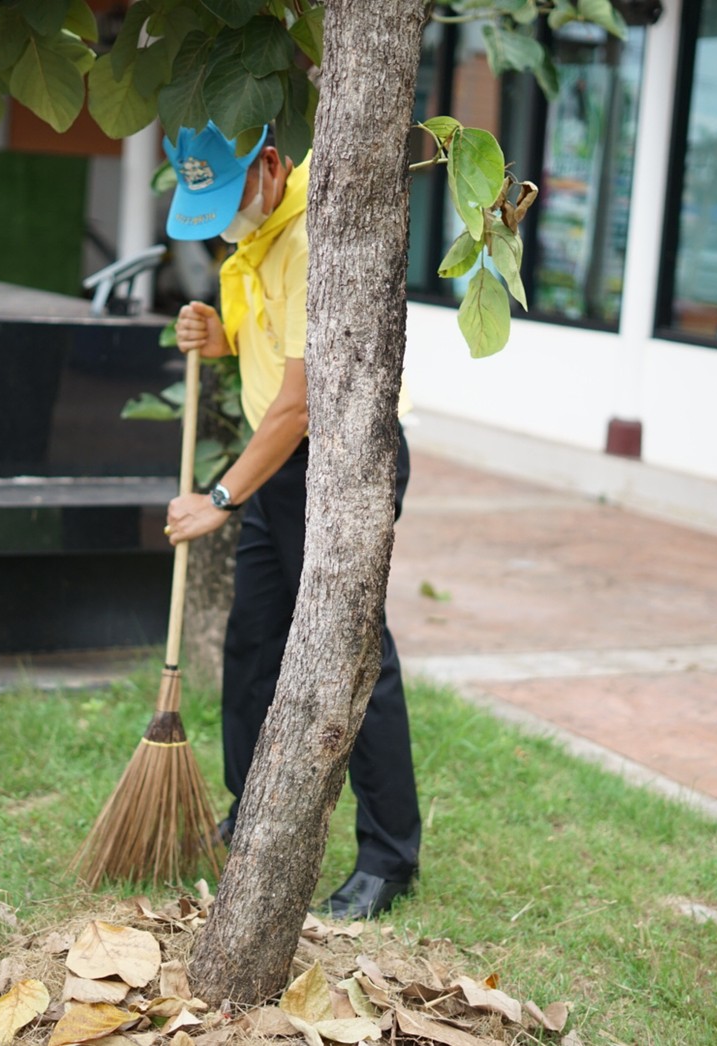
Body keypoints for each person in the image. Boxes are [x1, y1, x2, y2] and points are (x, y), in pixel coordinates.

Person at [160, 122, 421, 919]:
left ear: (269, 165)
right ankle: (253, 808)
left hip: (343, 464)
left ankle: (389, 856)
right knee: (253, 639)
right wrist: (218, 335)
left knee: (354, 656)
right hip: (280, 470)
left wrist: (220, 498)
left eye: (228, 200)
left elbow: (302, 402)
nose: (223, 225)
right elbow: (267, 345)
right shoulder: (264, 232)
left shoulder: (318, 233)